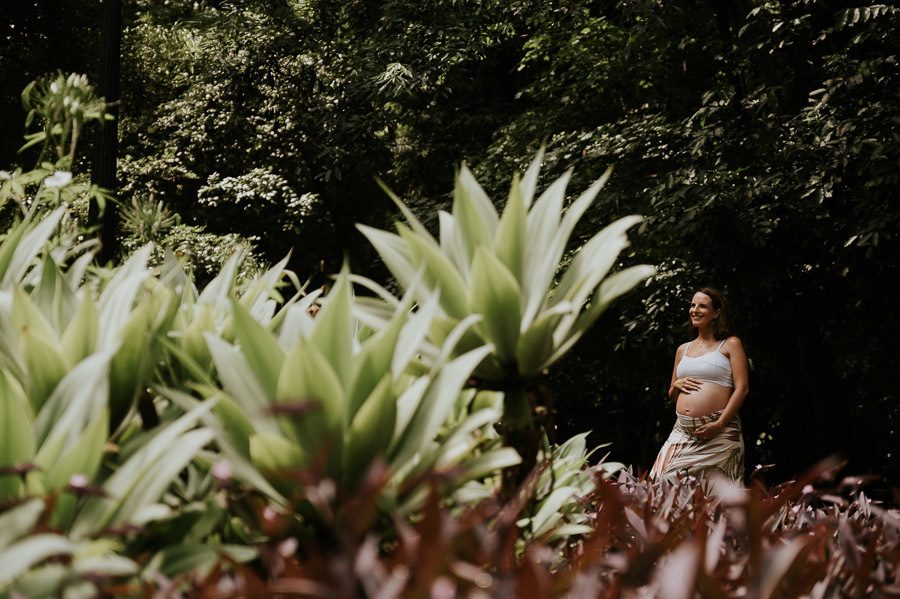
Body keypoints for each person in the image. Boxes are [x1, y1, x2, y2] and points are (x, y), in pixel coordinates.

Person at [650, 287, 749, 489]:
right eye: (693, 305)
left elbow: (742, 388)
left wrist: (719, 424)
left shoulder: (730, 344)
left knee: (717, 496)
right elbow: (672, 395)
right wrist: (676, 385)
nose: (695, 310)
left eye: (702, 306)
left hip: (720, 431)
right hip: (683, 433)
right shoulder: (682, 349)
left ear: (716, 313)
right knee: (659, 482)